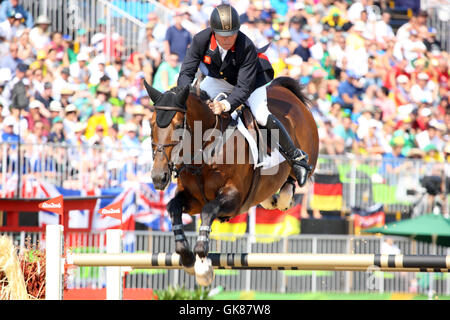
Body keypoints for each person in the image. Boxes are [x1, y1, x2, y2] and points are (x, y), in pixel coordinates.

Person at [177, 4, 311, 186]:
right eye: (223, 35)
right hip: (219, 80)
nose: (228, 39)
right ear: (214, 31)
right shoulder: (201, 40)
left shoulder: (245, 45)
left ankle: (296, 158)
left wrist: (225, 105)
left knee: (262, 116)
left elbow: (243, 88)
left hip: (250, 82)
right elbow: (186, 72)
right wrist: (184, 96)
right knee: (194, 107)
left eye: (232, 34)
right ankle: (183, 158)